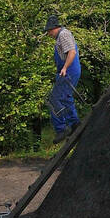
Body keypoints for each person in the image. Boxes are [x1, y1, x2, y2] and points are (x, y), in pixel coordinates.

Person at [44, 13, 82, 142]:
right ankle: (74, 124)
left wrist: (65, 68)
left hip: (69, 70)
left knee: (54, 99)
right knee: (65, 98)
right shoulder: (62, 36)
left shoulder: (64, 35)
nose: (48, 34)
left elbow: (72, 52)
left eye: (49, 31)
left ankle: (61, 128)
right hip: (69, 70)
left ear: (54, 28)